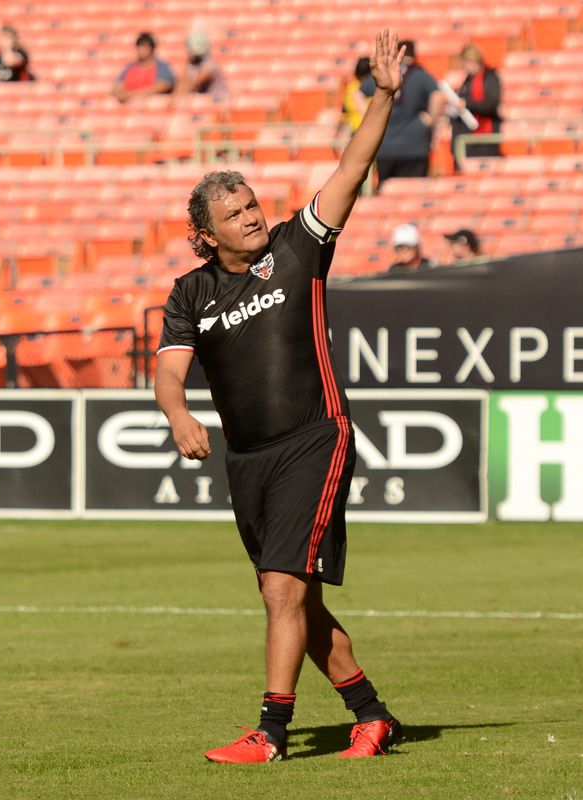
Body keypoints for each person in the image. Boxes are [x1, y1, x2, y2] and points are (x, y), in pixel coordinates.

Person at [154, 29, 406, 764]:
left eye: (254, 205)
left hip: (314, 438)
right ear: (206, 234)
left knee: (279, 589)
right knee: (296, 598)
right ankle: (372, 714)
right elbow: (169, 372)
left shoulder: (300, 247)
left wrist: (385, 94)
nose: (254, 217)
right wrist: (177, 413)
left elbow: (352, 166)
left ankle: (270, 732)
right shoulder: (189, 293)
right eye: (235, 215)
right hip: (248, 461)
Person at [361, 40, 443, 182]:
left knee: (386, 194)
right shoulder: (420, 74)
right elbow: (439, 97)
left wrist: (371, 118)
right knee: (413, 193)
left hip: (385, 145)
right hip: (415, 145)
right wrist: (431, 120)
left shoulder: (387, 73)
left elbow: (358, 93)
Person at [450, 45, 502, 160]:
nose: (464, 67)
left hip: (483, 140)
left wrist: (467, 103)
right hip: (467, 139)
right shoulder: (467, 80)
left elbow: (491, 104)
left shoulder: (490, 78)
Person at [112, 32, 175, 102]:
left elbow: (164, 85)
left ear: (151, 49)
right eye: (140, 47)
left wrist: (132, 95)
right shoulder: (130, 68)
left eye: (145, 47)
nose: (141, 50)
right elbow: (118, 86)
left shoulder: (161, 67)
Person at [178, 29, 227, 101]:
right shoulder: (191, 64)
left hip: (218, 102)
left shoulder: (210, 64)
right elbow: (183, 82)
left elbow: (196, 81)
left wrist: (180, 95)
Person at [340, 57, 372, 134]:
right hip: (369, 131)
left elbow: (344, 111)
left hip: (356, 132)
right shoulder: (376, 87)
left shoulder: (351, 87)